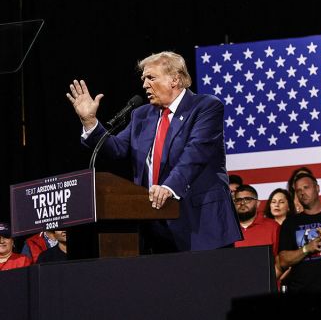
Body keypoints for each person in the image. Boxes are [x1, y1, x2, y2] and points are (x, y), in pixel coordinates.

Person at [67, 51, 241, 252]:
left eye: (151, 77)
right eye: (143, 79)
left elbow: (195, 153)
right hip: (155, 225)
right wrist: (90, 121)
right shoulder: (141, 115)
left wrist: (168, 187)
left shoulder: (205, 107)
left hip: (202, 224)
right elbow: (116, 149)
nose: (144, 85)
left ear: (175, 79)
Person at [233, 183, 279, 254]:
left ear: (258, 203)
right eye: (238, 200)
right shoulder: (226, 229)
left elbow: (279, 260)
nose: (242, 203)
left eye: (247, 199)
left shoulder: (273, 227)